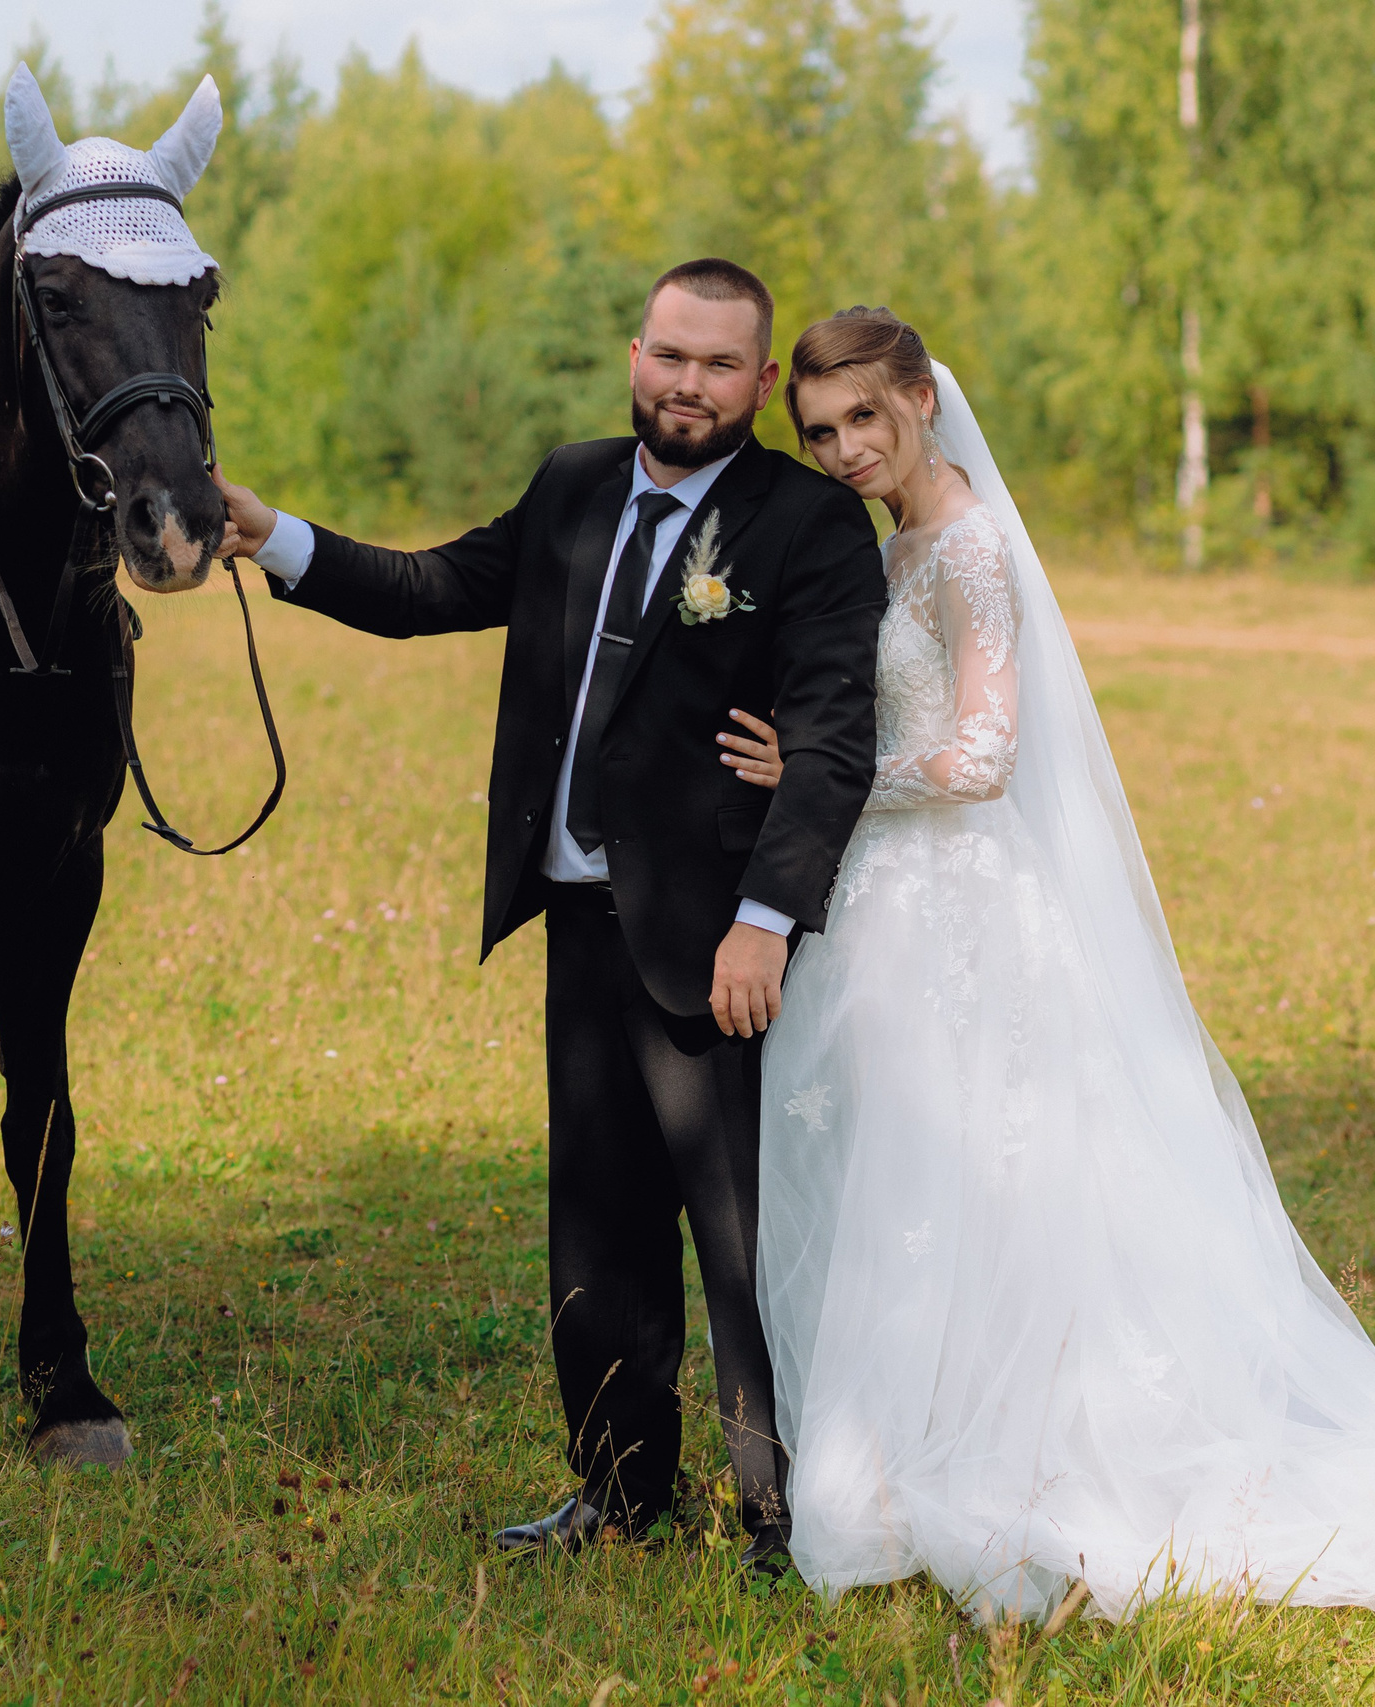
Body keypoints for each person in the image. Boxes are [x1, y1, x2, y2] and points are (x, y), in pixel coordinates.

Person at [716, 306, 1375, 1622]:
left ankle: (1018, 1444)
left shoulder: (966, 545)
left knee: (993, 1175)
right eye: (822, 430)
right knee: (904, 1173)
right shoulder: (896, 538)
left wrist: (826, 776)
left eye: (868, 417)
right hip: (895, 907)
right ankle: (906, 1439)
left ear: (923, 397)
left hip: (963, 907)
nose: (848, 447)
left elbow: (984, 758)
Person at [213, 259, 886, 1570]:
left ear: (756, 382)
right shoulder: (575, 486)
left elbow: (834, 745)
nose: (688, 384)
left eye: (719, 365)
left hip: (718, 949)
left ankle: (776, 1520)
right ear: (636, 354)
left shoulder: (806, 528)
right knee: (596, 1233)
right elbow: (436, 590)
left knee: (743, 1247)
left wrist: (764, 920)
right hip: (581, 929)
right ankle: (621, 1501)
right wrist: (273, 535)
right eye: (669, 355)